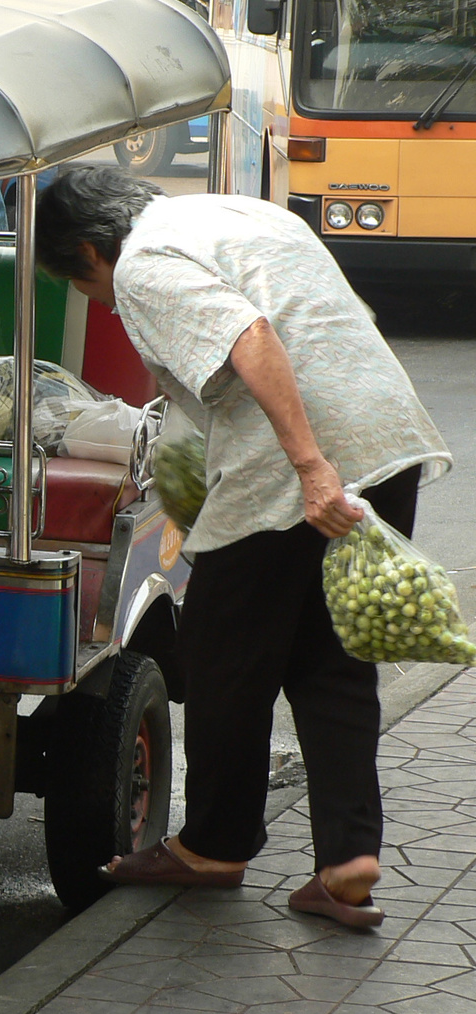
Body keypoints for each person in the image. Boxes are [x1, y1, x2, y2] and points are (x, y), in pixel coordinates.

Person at [36, 167, 451, 929]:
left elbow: (251, 336)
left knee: (223, 650)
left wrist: (309, 467)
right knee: (333, 663)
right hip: (388, 438)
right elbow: (329, 319)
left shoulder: (143, 262)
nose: (100, 301)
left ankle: (215, 846)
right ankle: (347, 864)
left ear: (91, 251)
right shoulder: (240, 216)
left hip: (294, 467)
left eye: (83, 287)